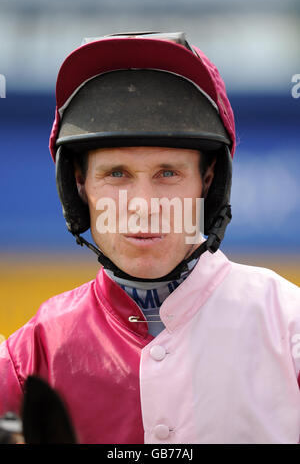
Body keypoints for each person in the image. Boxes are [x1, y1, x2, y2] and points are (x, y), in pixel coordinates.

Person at [0, 31, 299, 445]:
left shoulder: (289, 327)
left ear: (208, 182)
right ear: (79, 184)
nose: (142, 205)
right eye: (117, 174)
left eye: (168, 173)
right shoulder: (28, 356)